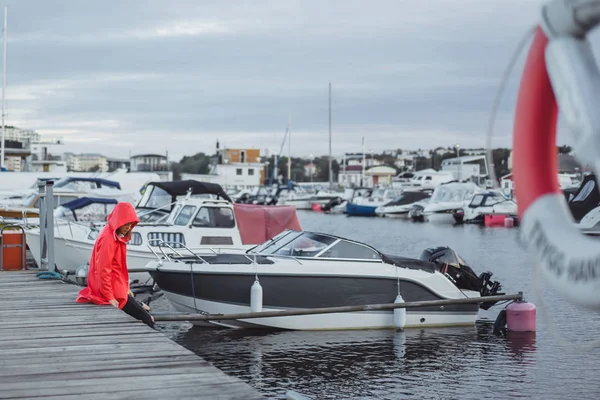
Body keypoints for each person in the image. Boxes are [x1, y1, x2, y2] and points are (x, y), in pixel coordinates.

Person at [76, 202, 155, 329]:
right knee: (148, 319)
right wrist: (110, 297)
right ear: (119, 221)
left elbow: (119, 268)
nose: (128, 228)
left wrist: (126, 287)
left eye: (131, 224)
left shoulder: (115, 235)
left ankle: (136, 305)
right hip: (112, 291)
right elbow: (103, 270)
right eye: (126, 224)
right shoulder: (108, 239)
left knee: (146, 309)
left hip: (118, 287)